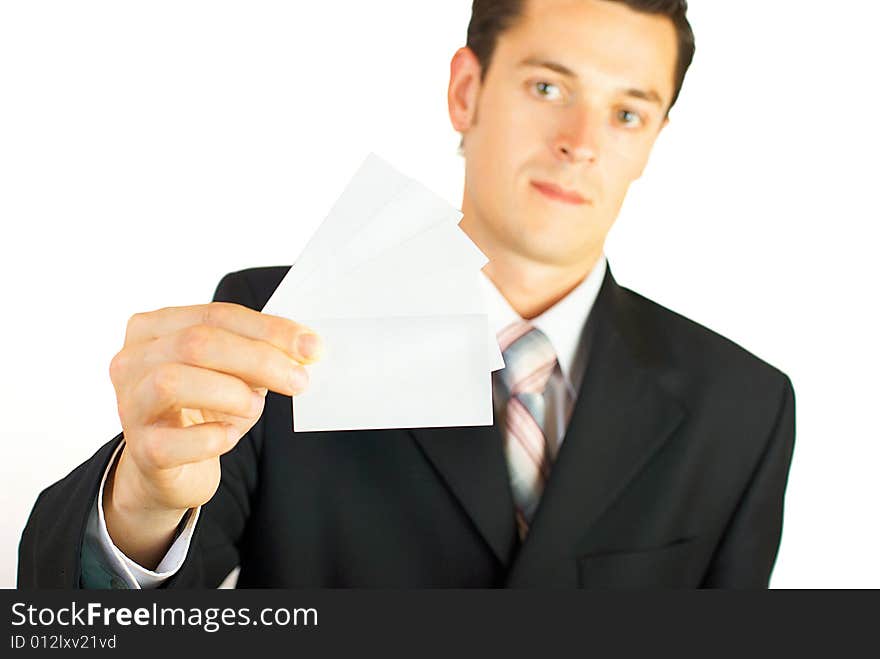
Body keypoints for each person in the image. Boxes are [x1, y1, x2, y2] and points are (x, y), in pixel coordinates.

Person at [18, 0, 796, 589]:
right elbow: (79, 623)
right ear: (467, 90)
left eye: (628, 111)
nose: (582, 141)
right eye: (548, 86)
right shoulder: (279, 327)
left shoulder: (743, 406)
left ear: (653, 138)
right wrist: (145, 504)